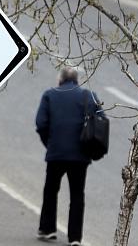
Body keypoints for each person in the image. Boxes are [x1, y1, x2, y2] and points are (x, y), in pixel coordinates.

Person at [35, 66, 100, 246]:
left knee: (50, 191)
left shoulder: (50, 95)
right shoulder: (88, 96)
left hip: (56, 153)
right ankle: (75, 238)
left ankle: (48, 229)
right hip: (80, 155)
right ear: (77, 80)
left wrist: (49, 143)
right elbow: (100, 121)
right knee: (77, 195)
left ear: (60, 79)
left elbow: (41, 123)